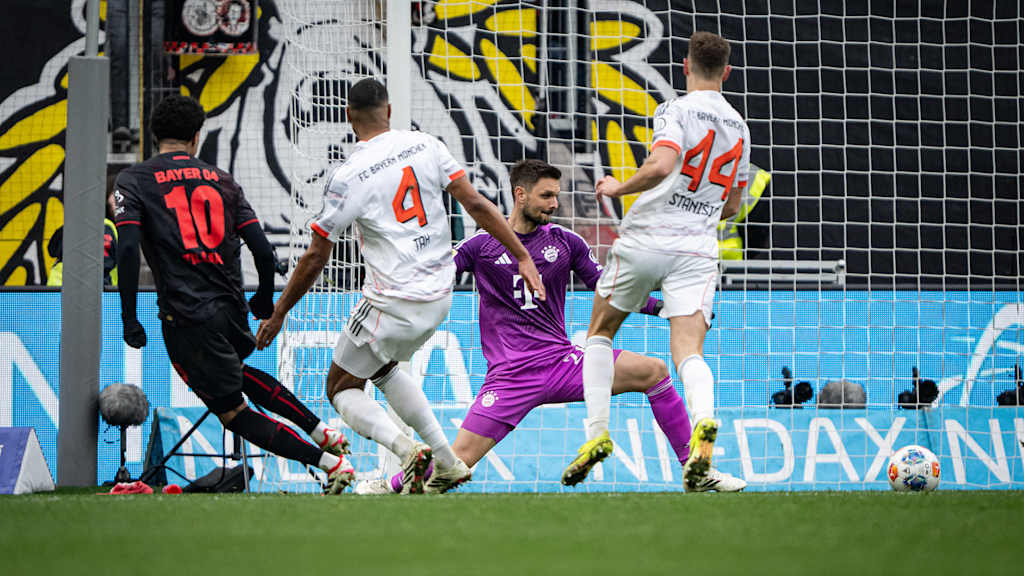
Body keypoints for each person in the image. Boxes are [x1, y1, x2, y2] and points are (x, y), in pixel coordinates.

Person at [355, 159, 747, 494]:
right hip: (510, 377)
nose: (554, 204)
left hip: (563, 363)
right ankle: (386, 485)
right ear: (520, 195)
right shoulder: (479, 246)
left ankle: (698, 472)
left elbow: (607, 288)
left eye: (556, 196)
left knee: (655, 371)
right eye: (546, 196)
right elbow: (437, 279)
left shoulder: (566, 243)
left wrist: (664, 309)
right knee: (457, 463)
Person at [254, 78, 544, 494]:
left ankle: (408, 452)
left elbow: (316, 255)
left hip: (393, 302)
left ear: (350, 117)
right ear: (389, 111)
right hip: (441, 296)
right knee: (385, 367)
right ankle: (449, 462)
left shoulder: (348, 176)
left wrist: (279, 312)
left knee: (340, 387)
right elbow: (478, 204)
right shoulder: (427, 145)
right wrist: (521, 255)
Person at [114, 95, 355, 494]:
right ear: (196, 136)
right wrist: (263, 297)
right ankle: (320, 431)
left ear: (155, 136)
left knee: (233, 412)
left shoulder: (134, 180)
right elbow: (263, 250)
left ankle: (329, 463)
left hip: (186, 313)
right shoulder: (222, 180)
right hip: (230, 306)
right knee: (239, 374)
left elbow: (126, 249)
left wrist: (128, 315)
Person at [567, 31, 750, 492]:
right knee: (688, 350)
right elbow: (733, 204)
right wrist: (703, 208)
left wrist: (618, 187)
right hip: (697, 249)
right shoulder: (740, 127)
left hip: (648, 237)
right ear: (726, 72)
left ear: (685, 66)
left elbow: (663, 165)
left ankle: (596, 435)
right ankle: (704, 427)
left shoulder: (675, 110)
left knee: (600, 333)